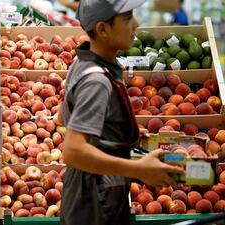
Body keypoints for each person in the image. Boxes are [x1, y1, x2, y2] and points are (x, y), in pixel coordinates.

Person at [60, 1, 184, 225]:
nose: (136, 24)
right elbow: (72, 151)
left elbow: (64, 117)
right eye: (127, 19)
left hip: (88, 191)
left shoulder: (83, 62)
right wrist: (138, 169)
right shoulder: (96, 81)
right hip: (95, 200)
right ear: (102, 29)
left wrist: (121, 136)